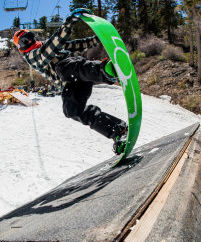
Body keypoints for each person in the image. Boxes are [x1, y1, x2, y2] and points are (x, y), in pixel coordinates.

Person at [13, 8, 128, 154]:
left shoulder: (49, 44)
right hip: (72, 83)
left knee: (62, 67)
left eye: (30, 37)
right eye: (24, 41)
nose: (30, 41)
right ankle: (118, 130)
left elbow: (76, 45)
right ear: (21, 48)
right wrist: (67, 24)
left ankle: (104, 71)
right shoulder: (32, 57)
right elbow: (49, 50)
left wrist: (98, 38)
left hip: (77, 69)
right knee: (71, 110)